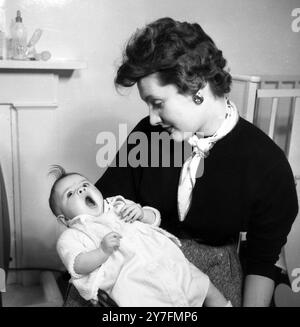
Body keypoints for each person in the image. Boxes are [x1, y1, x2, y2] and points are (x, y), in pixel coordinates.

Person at [95, 17, 299, 307]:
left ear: (197, 88)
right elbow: (103, 202)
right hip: (138, 264)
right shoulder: (149, 134)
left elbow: (261, 262)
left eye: (157, 102)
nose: (152, 117)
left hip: (213, 277)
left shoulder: (267, 165)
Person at [49, 165, 232, 307]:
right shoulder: (73, 236)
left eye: (84, 185)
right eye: (70, 194)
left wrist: (141, 212)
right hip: (135, 281)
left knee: (204, 285)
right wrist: (102, 251)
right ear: (64, 219)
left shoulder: (118, 204)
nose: (80, 190)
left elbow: (155, 220)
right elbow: (77, 265)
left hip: (169, 262)